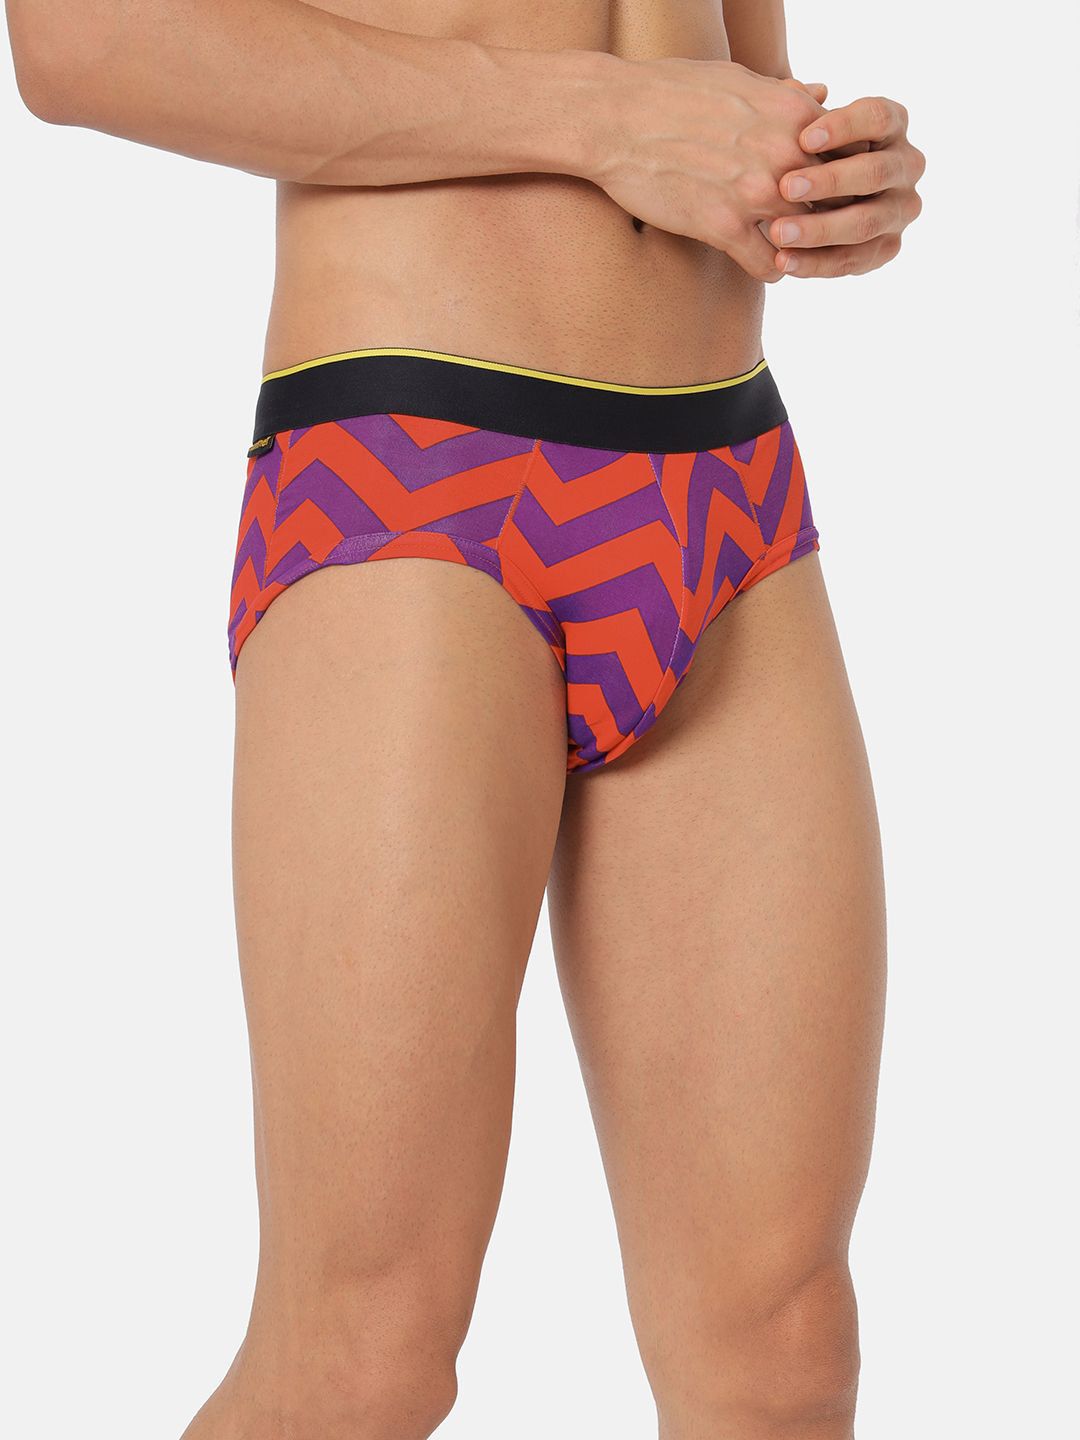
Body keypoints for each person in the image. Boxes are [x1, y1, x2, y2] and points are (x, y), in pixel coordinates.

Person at [7, 2, 924, 1436]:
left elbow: (720, 62)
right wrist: (605, 121)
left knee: (782, 1351)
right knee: (364, 1348)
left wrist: (806, 178)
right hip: (420, 457)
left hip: (726, 485)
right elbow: (81, 44)